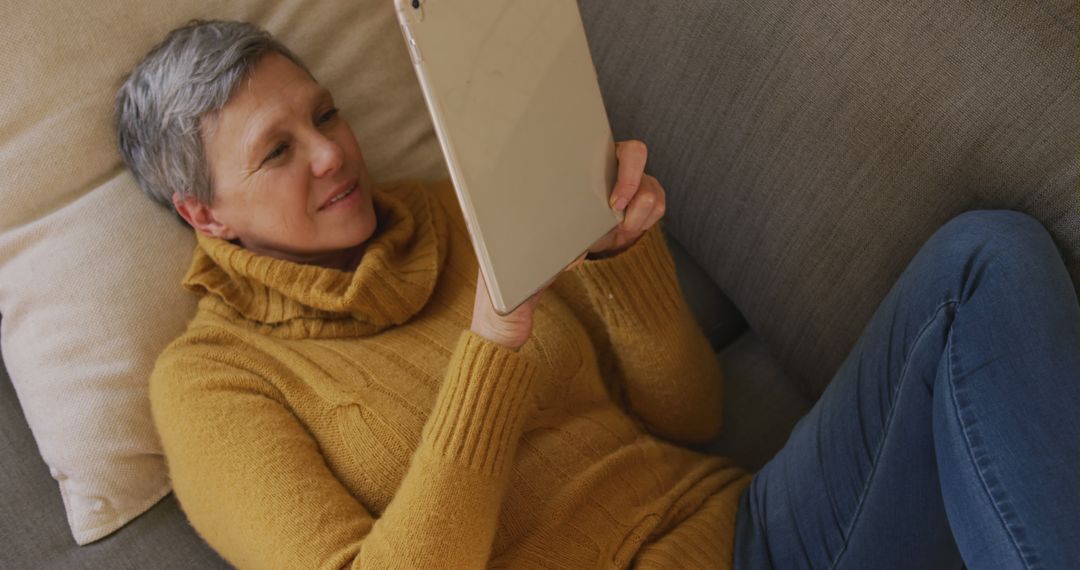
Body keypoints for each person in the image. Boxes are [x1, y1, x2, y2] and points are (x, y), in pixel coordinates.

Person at [115, 19, 1079, 570]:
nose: (332, 154)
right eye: (278, 152)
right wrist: (487, 354)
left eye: (325, 114)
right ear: (206, 215)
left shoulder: (454, 209)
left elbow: (690, 413)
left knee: (982, 261)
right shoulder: (210, 384)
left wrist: (622, 261)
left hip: (762, 533)